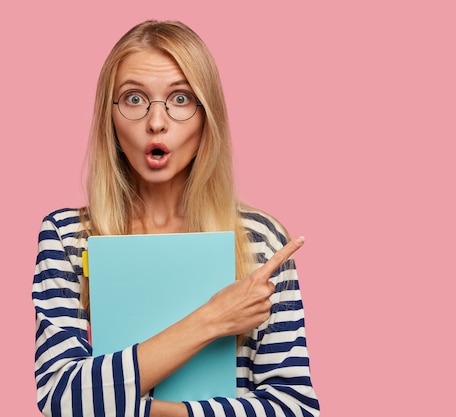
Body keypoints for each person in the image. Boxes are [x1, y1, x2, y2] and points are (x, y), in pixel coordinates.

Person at [32, 20, 319, 417]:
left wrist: (148, 411)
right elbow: (61, 398)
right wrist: (213, 319)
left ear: (207, 117)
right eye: (134, 99)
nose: (156, 122)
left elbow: (295, 408)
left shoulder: (261, 240)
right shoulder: (68, 237)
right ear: (109, 118)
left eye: (180, 99)